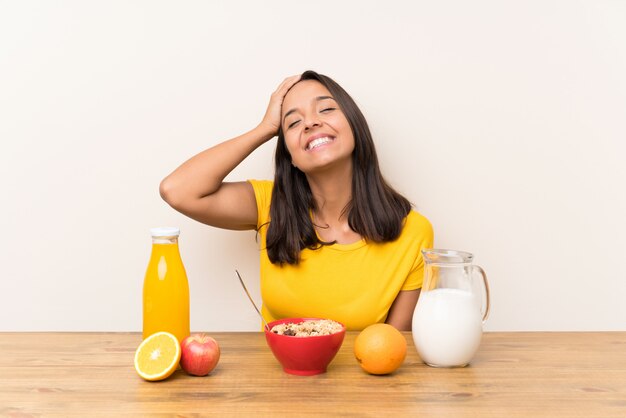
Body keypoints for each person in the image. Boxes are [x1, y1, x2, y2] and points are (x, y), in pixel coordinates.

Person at [159, 70, 433, 331]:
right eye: (292, 122)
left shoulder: (412, 232)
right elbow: (177, 190)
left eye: (326, 109)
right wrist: (264, 129)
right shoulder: (269, 205)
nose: (311, 122)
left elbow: (392, 346)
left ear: (354, 125)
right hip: (273, 378)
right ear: (289, 154)